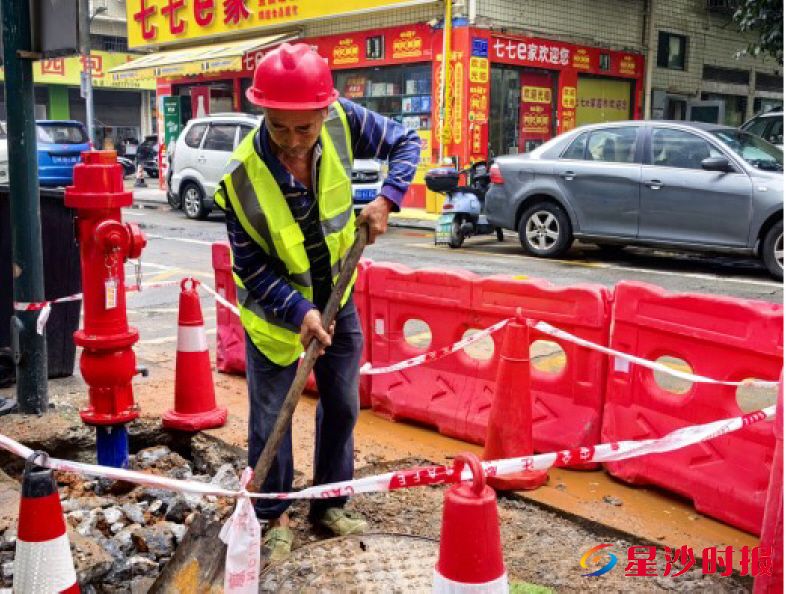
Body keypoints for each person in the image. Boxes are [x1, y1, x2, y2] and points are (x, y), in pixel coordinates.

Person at [214, 42, 421, 561]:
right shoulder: (240, 179)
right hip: (275, 317)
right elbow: (251, 268)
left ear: (324, 111)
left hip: (338, 297)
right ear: (262, 112)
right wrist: (299, 311)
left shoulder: (344, 122)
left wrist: (388, 198)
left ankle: (329, 503)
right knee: (271, 420)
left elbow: (406, 141)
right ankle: (274, 514)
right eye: (278, 127)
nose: (291, 142)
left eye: (303, 129)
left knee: (344, 404)